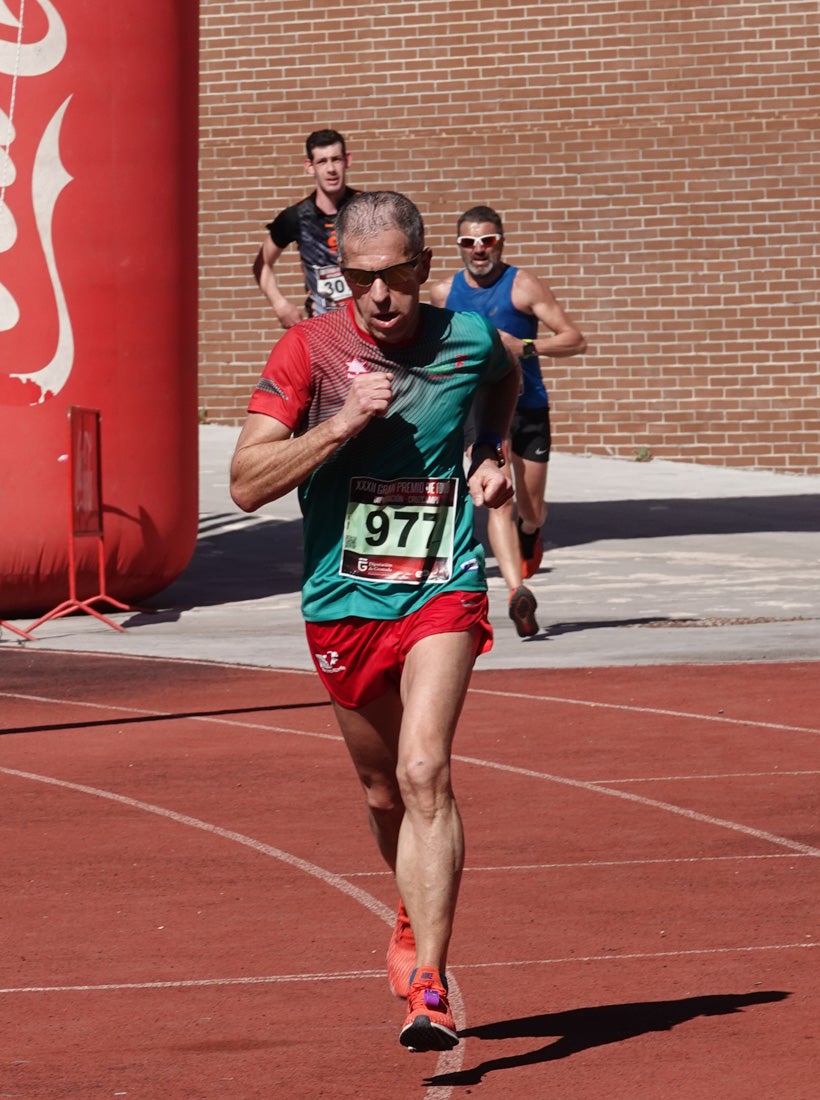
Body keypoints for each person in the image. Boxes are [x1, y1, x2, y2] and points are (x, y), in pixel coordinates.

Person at [231, 191, 521, 1053]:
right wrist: (344, 422)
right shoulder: (309, 351)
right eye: (361, 279)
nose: (380, 296)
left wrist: (489, 453)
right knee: (381, 786)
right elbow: (246, 483)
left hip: (442, 583)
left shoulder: (468, 338)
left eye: (395, 275)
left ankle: (428, 984)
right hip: (342, 598)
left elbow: (501, 375)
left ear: (424, 269)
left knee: (425, 766)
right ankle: (409, 903)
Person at [429, 206, 587, 639]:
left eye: (488, 240)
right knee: (497, 494)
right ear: (459, 247)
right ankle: (518, 590)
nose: (479, 250)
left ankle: (531, 534)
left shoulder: (523, 285)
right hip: (479, 409)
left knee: (530, 509)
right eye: (469, 242)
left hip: (528, 404)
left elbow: (575, 339)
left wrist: (527, 347)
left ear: (501, 241)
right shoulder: (443, 294)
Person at [252, 129, 359, 327]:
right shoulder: (296, 217)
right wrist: (279, 304)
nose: (331, 169)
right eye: (322, 161)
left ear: (347, 161)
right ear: (309, 166)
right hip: (323, 327)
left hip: (366, 324)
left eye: (336, 159)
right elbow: (262, 264)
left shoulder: (366, 207)